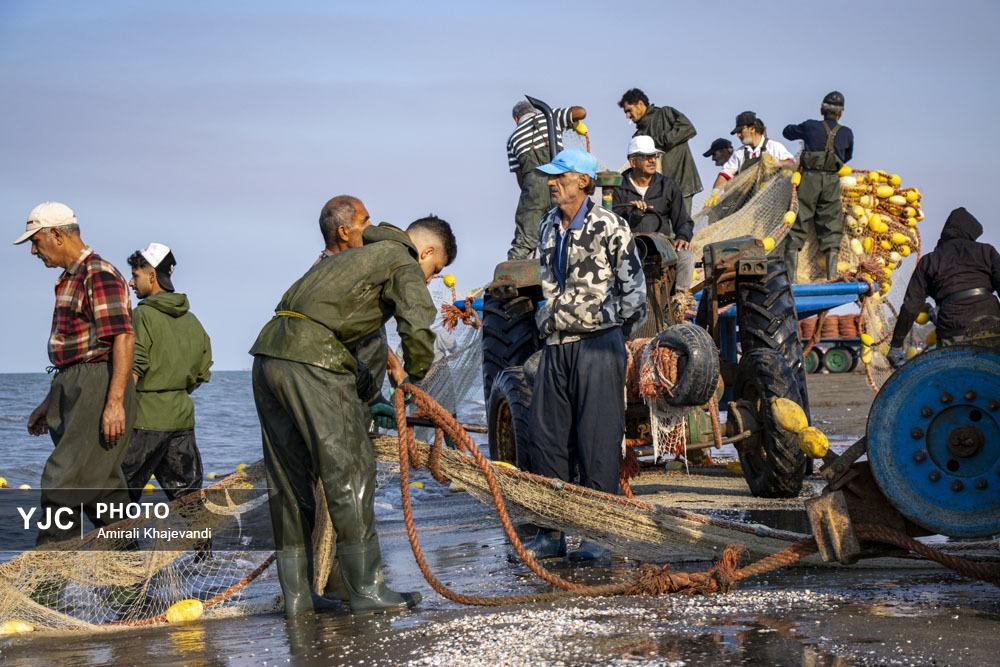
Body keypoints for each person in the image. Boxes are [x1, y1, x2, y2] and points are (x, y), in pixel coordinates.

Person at [249, 204, 457, 617]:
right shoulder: (401, 259)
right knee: (352, 472)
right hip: (312, 361)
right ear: (428, 253)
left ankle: (298, 598)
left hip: (268, 355)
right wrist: (415, 378)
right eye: (435, 271)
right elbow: (417, 325)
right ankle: (366, 589)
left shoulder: (350, 258)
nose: (428, 279)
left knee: (289, 483)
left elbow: (339, 333)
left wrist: (370, 391)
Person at [523, 148, 646, 566]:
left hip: (597, 345)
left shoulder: (611, 226)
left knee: (597, 441)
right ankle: (551, 532)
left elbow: (635, 296)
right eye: (551, 175)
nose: (552, 181)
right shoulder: (547, 227)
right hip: (555, 346)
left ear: (584, 182)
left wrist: (606, 330)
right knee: (546, 439)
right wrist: (548, 320)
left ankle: (598, 533)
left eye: (561, 175)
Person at [15, 202, 136, 545]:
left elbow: (123, 337)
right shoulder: (70, 278)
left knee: (62, 483)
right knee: (104, 494)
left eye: (36, 242)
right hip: (75, 384)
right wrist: (49, 401)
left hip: (97, 385)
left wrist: (114, 403)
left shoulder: (98, 272)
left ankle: (43, 587)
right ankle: (131, 589)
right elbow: (73, 352)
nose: (34, 251)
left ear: (56, 234)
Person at [121, 243, 212, 502]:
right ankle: (204, 545)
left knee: (117, 500)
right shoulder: (192, 320)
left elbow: (133, 369)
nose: (130, 282)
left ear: (151, 276)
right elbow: (203, 371)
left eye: (135, 275)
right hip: (181, 419)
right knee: (190, 501)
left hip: (144, 422)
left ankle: (122, 544)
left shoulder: (142, 316)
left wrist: (115, 412)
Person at [888, 208, 1000, 366]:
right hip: (991, 325)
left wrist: (896, 345)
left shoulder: (930, 261)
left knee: (957, 381)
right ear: (969, 233)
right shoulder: (986, 251)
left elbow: (910, 307)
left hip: (953, 330)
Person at [782, 91, 855, 280]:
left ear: (822, 109)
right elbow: (846, 156)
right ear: (841, 113)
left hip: (809, 180)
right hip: (831, 182)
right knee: (831, 224)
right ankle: (831, 276)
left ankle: (791, 279)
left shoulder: (809, 126)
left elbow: (787, 132)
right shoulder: (846, 133)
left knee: (798, 221)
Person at [611, 135, 695, 298]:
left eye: (654, 156)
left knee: (686, 256)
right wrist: (635, 215)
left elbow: (683, 221)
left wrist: (683, 237)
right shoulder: (618, 187)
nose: (652, 161)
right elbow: (613, 224)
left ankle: (680, 301)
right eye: (646, 156)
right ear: (633, 161)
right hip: (629, 246)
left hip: (663, 246)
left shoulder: (668, 186)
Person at [506, 100, 587, 260]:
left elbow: (520, 178)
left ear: (516, 118)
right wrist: (570, 122)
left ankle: (510, 276)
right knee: (568, 226)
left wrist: (532, 197)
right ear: (533, 111)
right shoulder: (550, 116)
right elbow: (581, 112)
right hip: (562, 182)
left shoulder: (512, 139)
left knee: (524, 241)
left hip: (532, 187)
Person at [618, 88, 702, 214]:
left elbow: (688, 129)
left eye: (629, 110)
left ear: (640, 104)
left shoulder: (665, 114)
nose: (627, 116)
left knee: (680, 228)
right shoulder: (638, 135)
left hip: (682, 184)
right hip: (657, 191)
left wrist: (656, 143)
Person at [711, 111, 795, 192]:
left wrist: (777, 163)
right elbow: (725, 174)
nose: (738, 135)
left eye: (740, 131)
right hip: (746, 201)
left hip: (771, 198)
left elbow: (792, 163)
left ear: (752, 128)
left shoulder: (774, 147)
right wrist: (715, 192)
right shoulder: (739, 153)